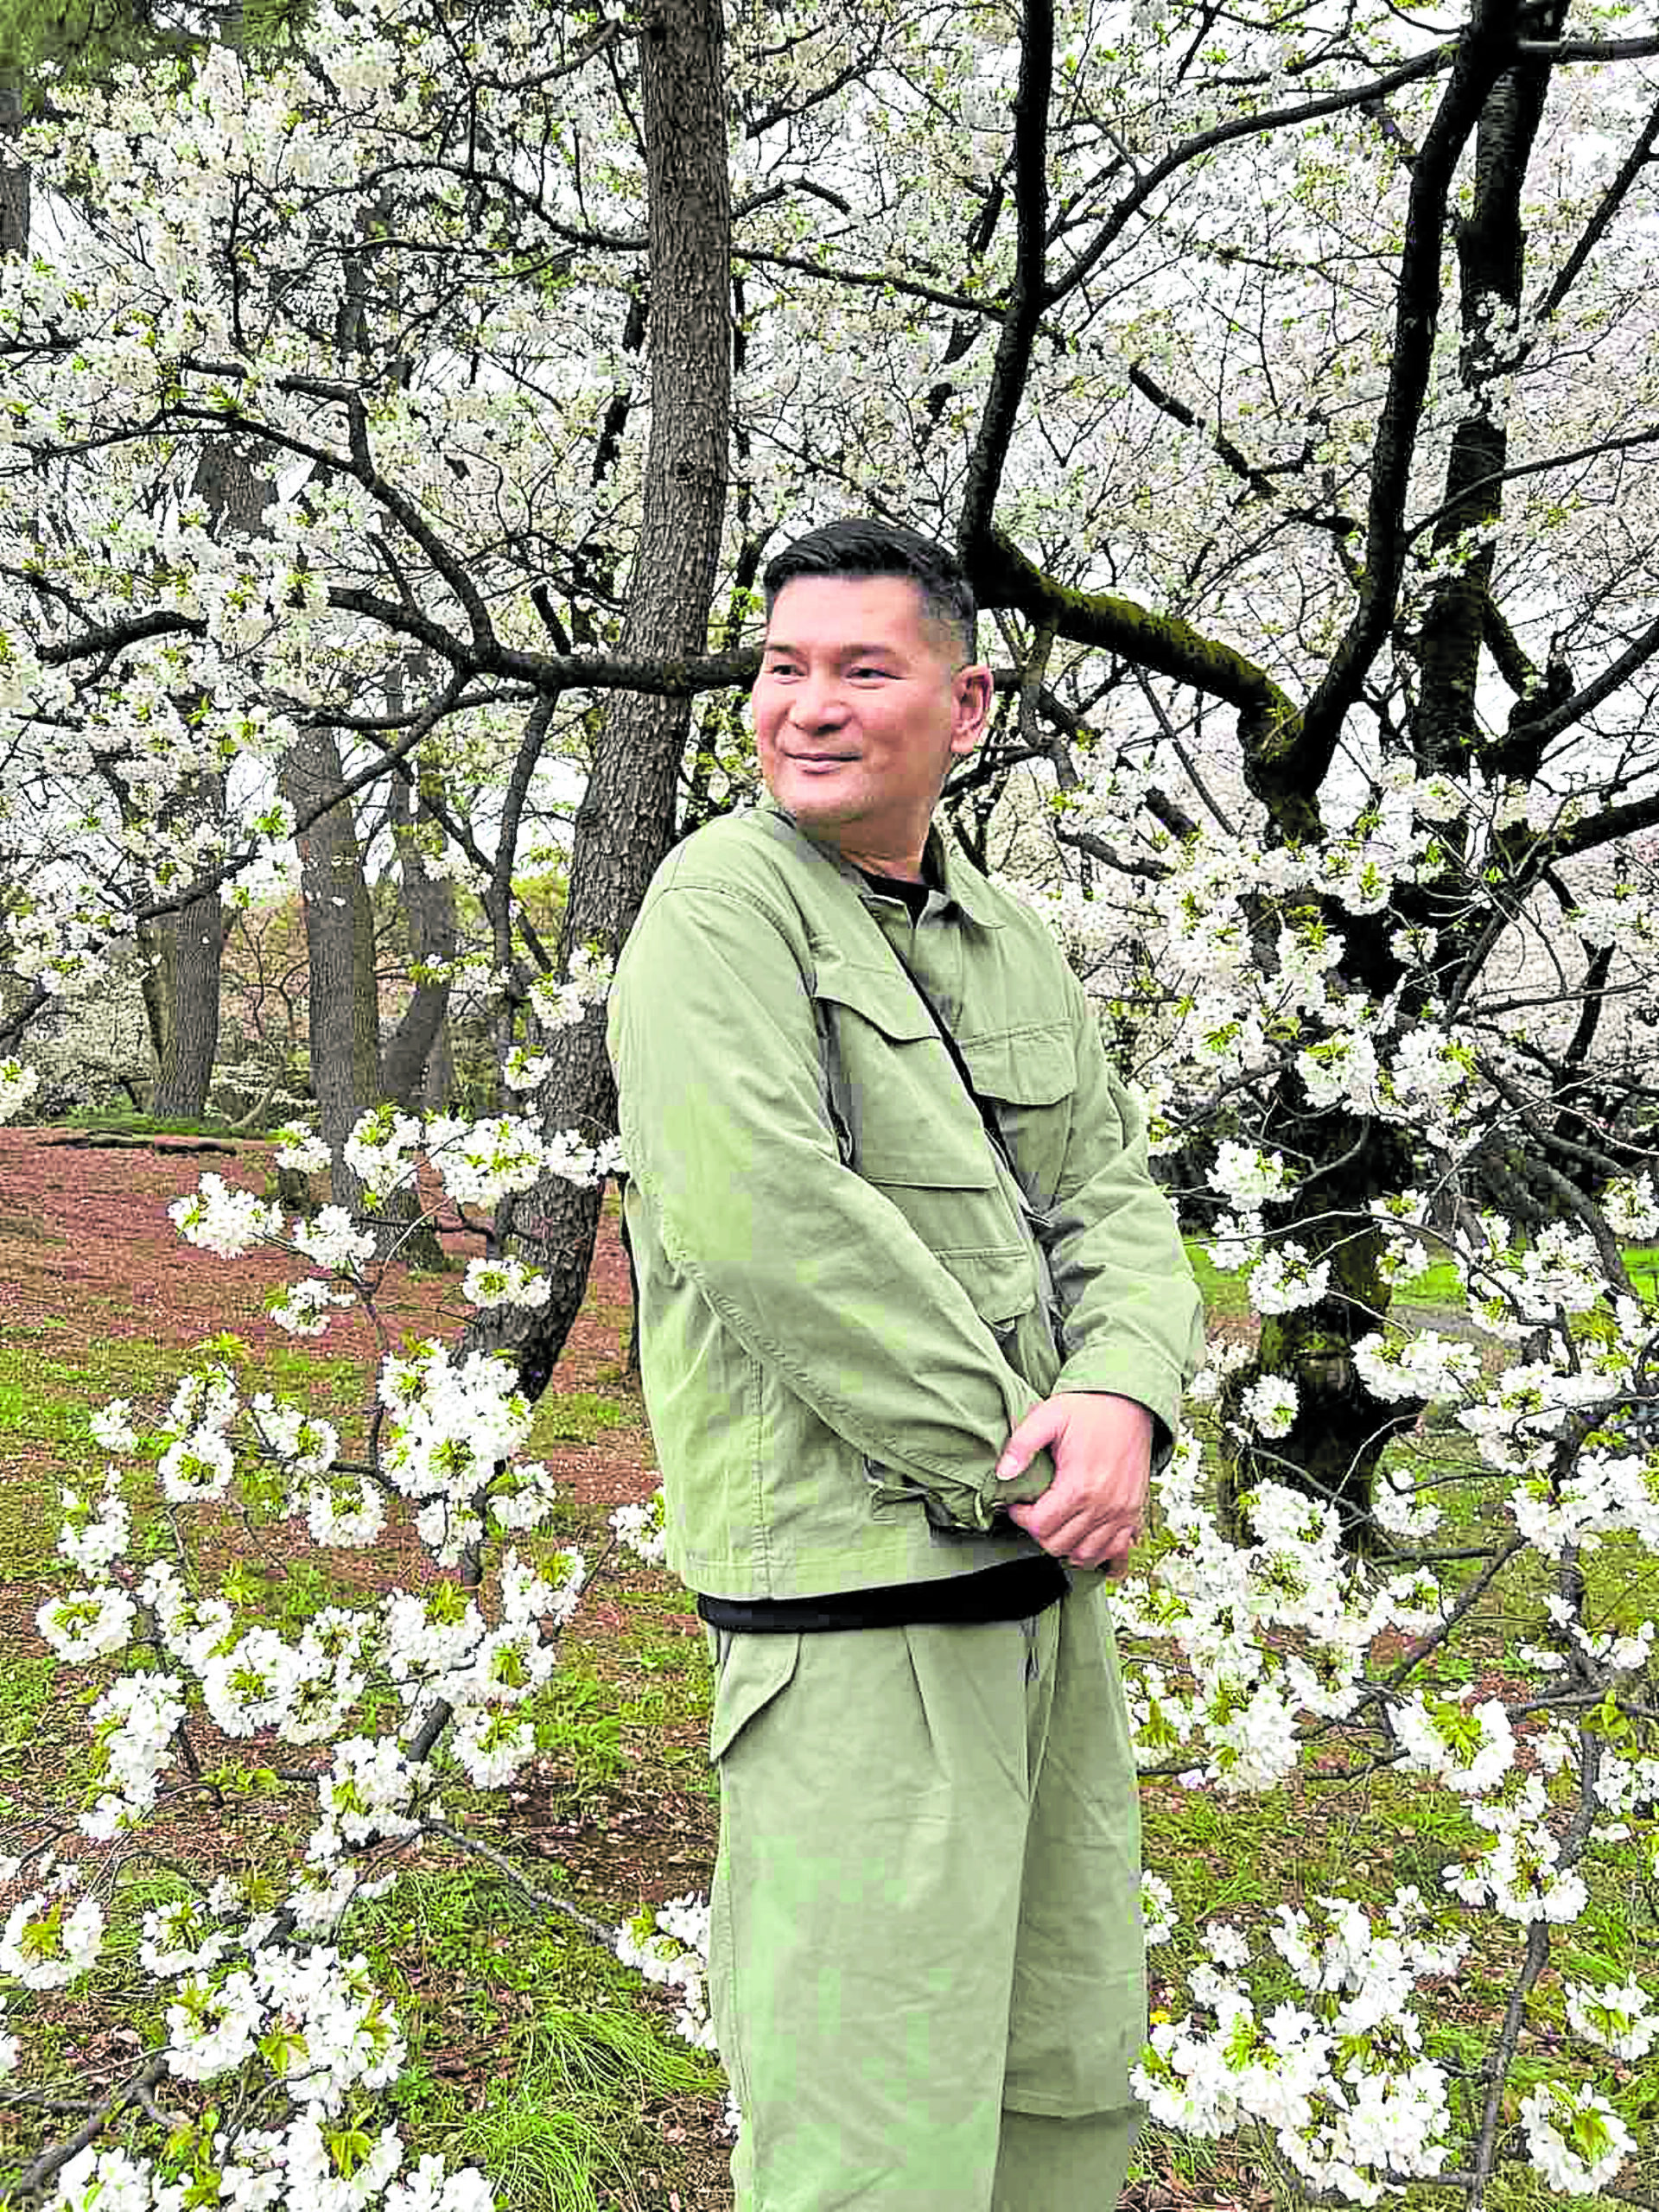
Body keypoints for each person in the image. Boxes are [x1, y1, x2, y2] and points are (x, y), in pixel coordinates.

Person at [606, 518, 1205, 2211]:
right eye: (781, 668)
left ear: (966, 703)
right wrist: (1035, 1453)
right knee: (875, 2146)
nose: (807, 705)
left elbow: (1108, 1196)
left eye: (862, 669)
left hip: (1046, 1625)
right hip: (860, 1628)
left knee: (1063, 2095)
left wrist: (1125, 1391)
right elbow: (768, 1225)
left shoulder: (1010, 942)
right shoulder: (716, 909)